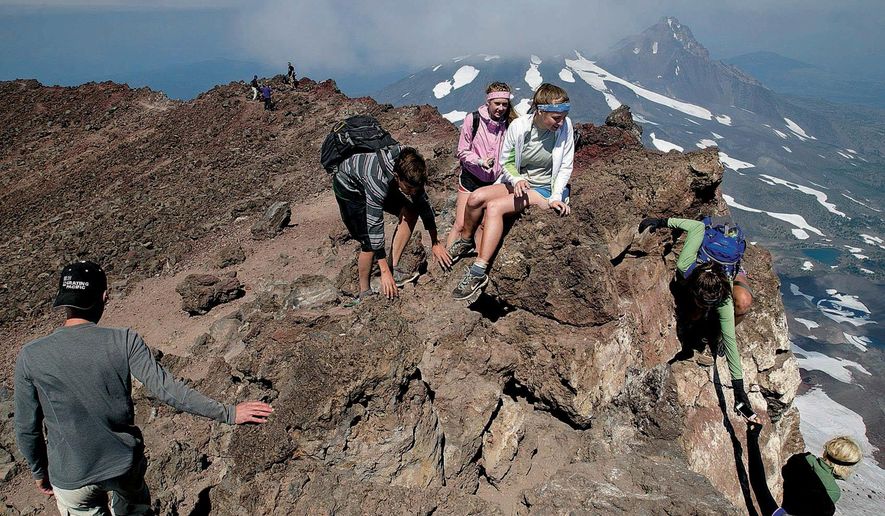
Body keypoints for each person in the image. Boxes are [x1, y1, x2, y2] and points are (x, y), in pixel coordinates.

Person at [14, 260, 273, 515]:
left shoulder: (31, 356)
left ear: (64, 301)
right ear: (105, 297)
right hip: (123, 466)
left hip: (71, 475)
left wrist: (39, 471)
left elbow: (27, 428)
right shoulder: (124, 340)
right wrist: (229, 413)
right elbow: (168, 390)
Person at [448, 83, 574, 301]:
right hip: (520, 182)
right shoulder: (519, 127)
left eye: (563, 116)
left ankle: (479, 270)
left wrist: (555, 197)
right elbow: (505, 161)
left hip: (545, 188)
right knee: (476, 198)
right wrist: (516, 179)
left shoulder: (565, 128)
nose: (560, 122)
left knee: (495, 207)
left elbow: (565, 166)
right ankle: (467, 239)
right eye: (556, 117)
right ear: (540, 111)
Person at [638, 216, 755, 418]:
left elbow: (731, 343)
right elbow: (697, 226)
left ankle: (709, 335)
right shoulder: (686, 266)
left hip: (726, 269)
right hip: (700, 275)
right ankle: (695, 323)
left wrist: (739, 390)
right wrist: (663, 221)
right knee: (694, 314)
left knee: (742, 303)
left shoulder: (724, 299)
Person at [333, 146, 452, 302]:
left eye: (415, 188)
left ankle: (393, 269)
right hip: (349, 188)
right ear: (397, 177)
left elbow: (423, 203)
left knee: (411, 211)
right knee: (368, 241)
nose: (413, 192)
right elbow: (375, 225)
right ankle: (365, 293)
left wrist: (435, 241)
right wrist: (383, 271)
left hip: (378, 179)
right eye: (409, 188)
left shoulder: (410, 167)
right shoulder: (377, 180)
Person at [446, 82, 518, 249]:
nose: (500, 108)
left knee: (482, 224)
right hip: (471, 178)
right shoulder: (473, 119)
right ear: (488, 102)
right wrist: (480, 161)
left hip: (494, 182)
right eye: (497, 104)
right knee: (461, 224)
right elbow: (462, 151)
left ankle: (474, 259)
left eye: (504, 104)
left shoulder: (510, 125)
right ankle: (446, 263)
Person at [747, 424, 863, 516]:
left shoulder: (799, 460)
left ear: (826, 452)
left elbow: (759, 484)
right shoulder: (832, 492)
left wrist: (752, 438)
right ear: (845, 467)